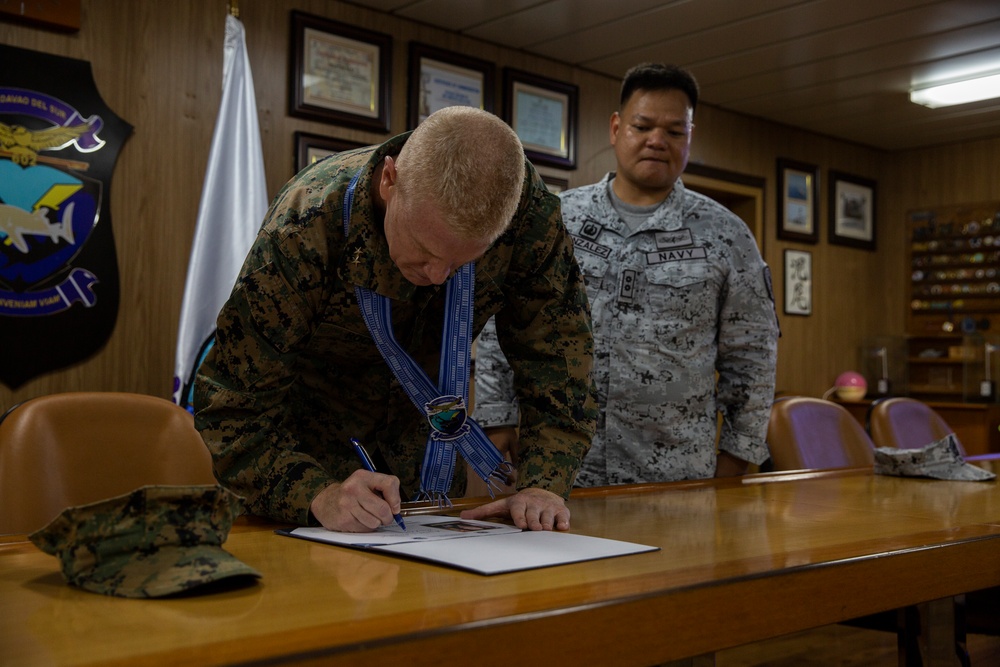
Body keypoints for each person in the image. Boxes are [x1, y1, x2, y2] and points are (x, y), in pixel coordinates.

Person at [194, 106, 597, 533]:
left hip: (432, 476)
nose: (438, 276)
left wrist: (543, 486)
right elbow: (230, 404)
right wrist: (314, 492)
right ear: (389, 180)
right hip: (306, 469)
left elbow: (560, 361)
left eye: (463, 262)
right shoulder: (307, 224)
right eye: (424, 249)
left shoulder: (526, 215)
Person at [475, 63, 779, 485]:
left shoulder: (727, 236)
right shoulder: (557, 219)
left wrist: (736, 459)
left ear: (690, 137)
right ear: (617, 128)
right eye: (643, 125)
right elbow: (501, 320)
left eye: (675, 131)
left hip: (676, 478)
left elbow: (752, 357)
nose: (658, 141)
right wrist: (496, 415)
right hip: (557, 473)